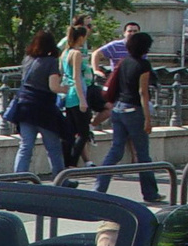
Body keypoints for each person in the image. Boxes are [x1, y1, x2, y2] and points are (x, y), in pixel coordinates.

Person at [94, 30, 164, 203]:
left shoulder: (124, 62)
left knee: (115, 150)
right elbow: (143, 92)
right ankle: (150, 193)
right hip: (134, 111)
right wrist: (148, 119)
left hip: (118, 109)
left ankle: (99, 189)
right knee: (143, 154)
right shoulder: (143, 65)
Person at [10, 30, 65, 176]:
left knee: (25, 146)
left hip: (24, 106)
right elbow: (54, 87)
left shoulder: (27, 60)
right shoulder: (51, 62)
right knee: (53, 146)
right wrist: (68, 88)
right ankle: (61, 179)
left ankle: (19, 178)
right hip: (43, 109)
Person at [60, 24, 94, 167]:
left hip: (68, 95)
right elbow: (76, 77)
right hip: (77, 93)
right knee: (83, 133)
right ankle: (72, 162)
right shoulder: (76, 53)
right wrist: (82, 100)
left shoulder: (65, 53)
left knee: (71, 131)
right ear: (81, 37)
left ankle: (66, 161)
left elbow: (63, 73)